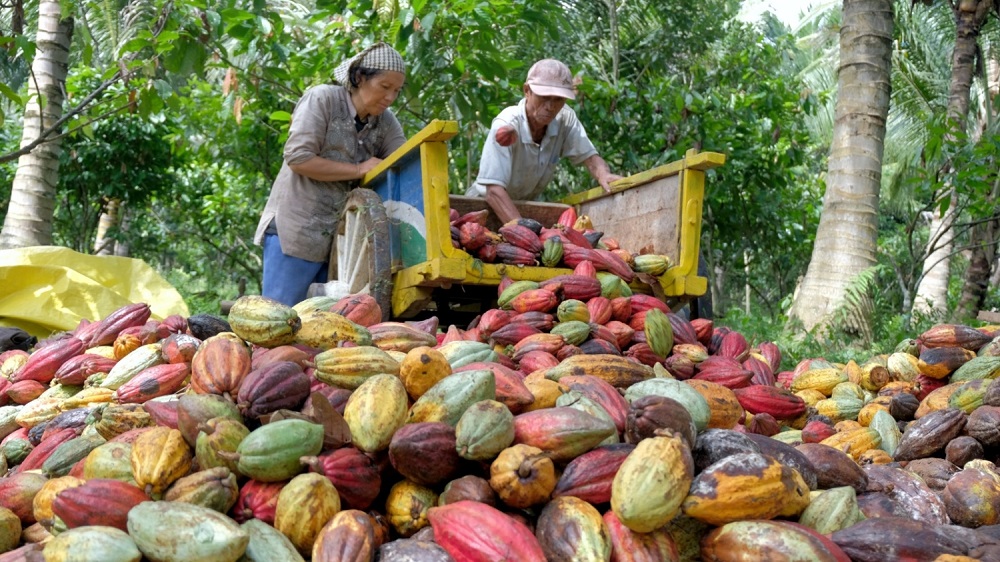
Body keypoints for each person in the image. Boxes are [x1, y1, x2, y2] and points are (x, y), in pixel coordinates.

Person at [254, 42, 406, 306]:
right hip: (297, 231)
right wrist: (359, 169)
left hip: (341, 245)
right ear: (359, 78)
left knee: (321, 329)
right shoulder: (322, 99)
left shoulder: (386, 122)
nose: (390, 97)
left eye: (396, 91)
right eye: (384, 87)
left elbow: (404, 162)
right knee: (278, 319)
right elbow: (298, 158)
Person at [467, 59, 623, 224]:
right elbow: (493, 191)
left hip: (521, 211)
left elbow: (590, 157)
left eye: (558, 99)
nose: (550, 106)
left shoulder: (565, 118)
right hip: (482, 211)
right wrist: (524, 232)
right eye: (544, 97)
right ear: (527, 91)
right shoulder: (506, 125)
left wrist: (603, 174)